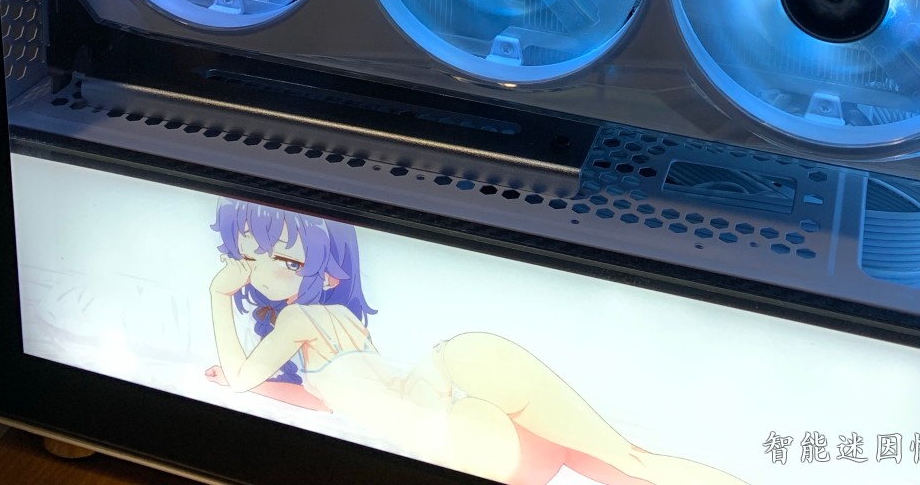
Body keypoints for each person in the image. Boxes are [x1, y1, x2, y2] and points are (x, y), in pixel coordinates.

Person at [205, 199, 748, 485]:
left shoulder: (298, 320)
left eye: (284, 258)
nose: (257, 269)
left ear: (325, 272)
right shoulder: (338, 322)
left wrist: (218, 295)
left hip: (455, 431)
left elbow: (242, 377)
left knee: (622, 466)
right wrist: (260, 387)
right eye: (249, 254)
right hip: (461, 372)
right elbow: (326, 401)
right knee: (632, 463)